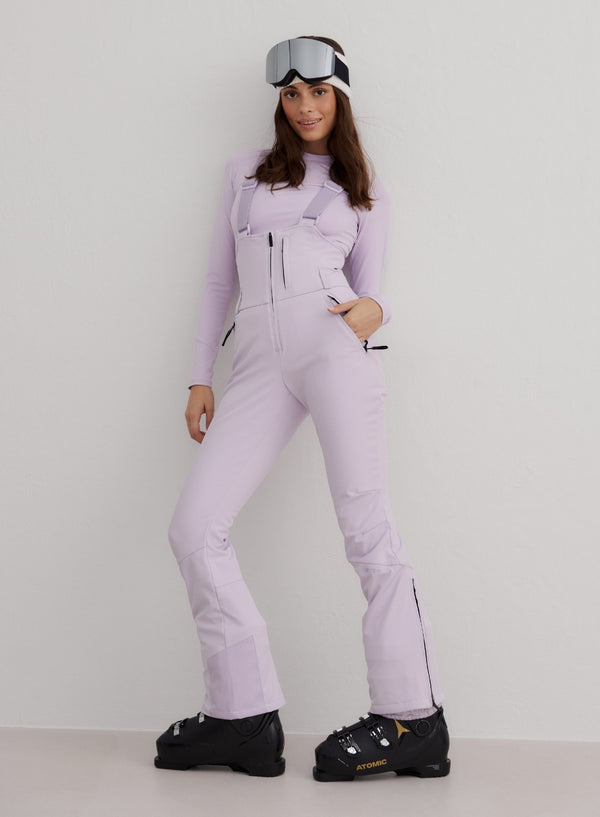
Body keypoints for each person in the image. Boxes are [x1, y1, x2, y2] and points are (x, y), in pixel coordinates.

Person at [154, 35, 451, 783]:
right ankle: (243, 714)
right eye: (291, 94)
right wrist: (199, 377)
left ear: (339, 97)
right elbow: (218, 281)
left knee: (366, 528)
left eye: (318, 92)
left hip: (333, 352)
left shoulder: (364, 188)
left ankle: (412, 718)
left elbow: (372, 290)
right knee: (194, 527)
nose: (305, 106)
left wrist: (376, 311)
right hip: (256, 363)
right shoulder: (243, 173)